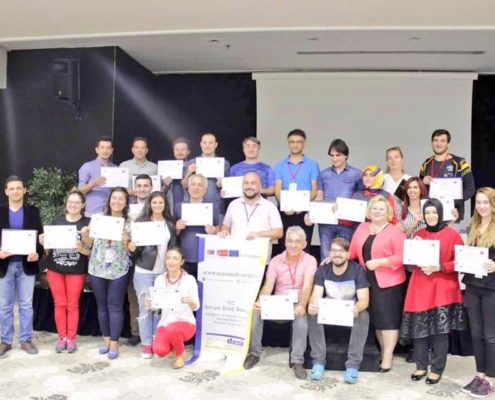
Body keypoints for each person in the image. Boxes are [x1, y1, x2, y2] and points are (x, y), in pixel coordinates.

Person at [400, 198, 465, 385]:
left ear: (440, 213)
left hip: (442, 287)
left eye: (434, 212)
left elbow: (461, 262)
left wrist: (440, 267)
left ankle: (437, 369)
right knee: (419, 330)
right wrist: (414, 248)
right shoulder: (419, 234)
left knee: (439, 332)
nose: (430, 216)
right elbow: (410, 262)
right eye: (427, 213)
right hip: (420, 286)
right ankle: (421, 366)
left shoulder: (452, 235)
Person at [243, 226, 317, 380]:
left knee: (301, 318)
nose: (294, 245)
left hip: (297, 302)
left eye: (298, 241)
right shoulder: (276, 260)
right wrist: (260, 301)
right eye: (290, 241)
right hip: (279, 302)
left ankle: (297, 361)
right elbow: (268, 286)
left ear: (304, 244)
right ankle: (254, 353)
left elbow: (307, 286)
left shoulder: (310, 260)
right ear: (285, 242)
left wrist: (302, 305)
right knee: (256, 311)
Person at [348, 195, 406, 371]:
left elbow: (403, 257)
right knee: (377, 321)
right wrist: (335, 258)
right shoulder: (362, 228)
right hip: (367, 281)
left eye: (381, 209)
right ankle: (383, 353)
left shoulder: (396, 232)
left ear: (388, 212)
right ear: (369, 211)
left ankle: (387, 357)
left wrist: (382, 262)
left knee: (388, 322)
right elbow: (352, 252)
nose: (377, 211)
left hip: (390, 282)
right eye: (374, 208)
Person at [308, 238, 370, 383]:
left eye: (341, 251)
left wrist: (357, 308)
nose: (337, 254)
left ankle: (353, 365)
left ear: (348, 254)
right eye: (334, 250)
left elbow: (364, 300)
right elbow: (316, 295)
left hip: (349, 311)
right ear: (329, 253)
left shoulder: (357, 270)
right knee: (312, 314)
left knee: (364, 315)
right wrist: (312, 305)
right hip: (328, 309)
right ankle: (318, 362)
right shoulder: (323, 270)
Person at [39, 190, 91, 353]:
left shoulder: (88, 224)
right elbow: (48, 251)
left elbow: (91, 251)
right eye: (70, 202)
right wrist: (44, 243)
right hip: (55, 268)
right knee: (59, 303)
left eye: (77, 202)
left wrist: (82, 247)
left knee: (72, 304)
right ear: (66, 204)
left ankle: (71, 338)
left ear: (83, 205)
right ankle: (62, 338)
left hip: (77, 269)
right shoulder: (56, 221)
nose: (73, 205)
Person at [128, 191, 176, 359]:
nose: (157, 205)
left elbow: (173, 246)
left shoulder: (170, 224)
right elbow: (135, 252)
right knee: (145, 308)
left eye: (160, 202)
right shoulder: (141, 223)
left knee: (159, 308)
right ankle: (147, 344)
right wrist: (132, 247)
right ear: (149, 204)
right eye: (154, 202)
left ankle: (158, 341)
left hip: (164, 272)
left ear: (165, 205)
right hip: (144, 271)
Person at [0, 176, 43, 356]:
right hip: (4, 265)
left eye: (19, 188)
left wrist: (37, 253)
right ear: (6, 191)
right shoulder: (1, 212)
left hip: (27, 265)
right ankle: (5, 341)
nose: (16, 191)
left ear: (24, 190)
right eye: (12, 188)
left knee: (26, 305)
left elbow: (40, 238)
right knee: (4, 306)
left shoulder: (33, 212)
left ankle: (25, 339)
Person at [87, 187, 131, 360]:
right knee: (102, 305)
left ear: (126, 202)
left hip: (118, 269)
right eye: (114, 198)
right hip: (97, 267)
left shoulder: (130, 223)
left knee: (115, 305)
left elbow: (131, 250)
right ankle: (106, 340)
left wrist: (126, 241)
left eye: (121, 199)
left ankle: (114, 342)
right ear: (109, 200)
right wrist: (85, 234)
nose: (117, 201)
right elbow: (89, 242)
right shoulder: (98, 218)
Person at [462, 187, 495, 398]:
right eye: (479, 202)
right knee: (475, 333)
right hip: (473, 286)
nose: (482, 206)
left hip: (492, 288)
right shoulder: (473, 226)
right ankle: (479, 374)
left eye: (486, 202)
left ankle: (490, 379)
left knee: (490, 335)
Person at [306, 138, 361, 261]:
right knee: (325, 254)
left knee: (345, 255)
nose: (334, 158)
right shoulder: (324, 174)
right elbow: (319, 196)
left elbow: (360, 197)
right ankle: (325, 274)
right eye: (332, 155)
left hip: (347, 221)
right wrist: (312, 214)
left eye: (338, 155)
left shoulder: (356, 174)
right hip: (326, 220)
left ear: (346, 155)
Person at [151, 247, 199, 369]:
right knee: (159, 351)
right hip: (166, 322)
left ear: (182, 261)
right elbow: (157, 307)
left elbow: (196, 307)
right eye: (168, 258)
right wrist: (151, 304)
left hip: (186, 323)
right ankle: (175, 348)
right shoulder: (159, 280)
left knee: (172, 329)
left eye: (175, 258)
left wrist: (191, 302)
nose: (171, 261)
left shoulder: (189, 280)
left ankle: (180, 355)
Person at [219, 172, 283, 260]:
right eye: (246, 183)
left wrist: (259, 234)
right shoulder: (233, 205)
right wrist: (225, 231)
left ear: (260, 186)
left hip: (260, 260)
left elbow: (279, 232)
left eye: (253, 183)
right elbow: (226, 226)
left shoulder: (270, 207)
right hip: (235, 259)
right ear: (242, 186)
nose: (249, 186)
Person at [274, 129, 320, 244]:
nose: (295, 145)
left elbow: (314, 190)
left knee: (304, 243)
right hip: (285, 211)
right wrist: (284, 206)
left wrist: (302, 206)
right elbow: (277, 190)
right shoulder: (280, 166)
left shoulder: (312, 165)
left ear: (304, 144)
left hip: (304, 211)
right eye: (292, 142)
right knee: (284, 244)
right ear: (288, 143)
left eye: (299, 142)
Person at [419, 129, 476, 221]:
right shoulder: (426, 164)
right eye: (435, 140)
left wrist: (453, 201)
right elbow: (419, 190)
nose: (438, 144)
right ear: (432, 143)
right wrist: (422, 183)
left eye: (442, 141)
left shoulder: (460, 163)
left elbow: (470, 189)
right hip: (431, 215)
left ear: (448, 144)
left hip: (453, 214)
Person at [174, 174, 221, 278]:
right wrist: (177, 228)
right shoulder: (179, 207)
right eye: (193, 184)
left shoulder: (212, 207)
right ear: (188, 187)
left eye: (200, 185)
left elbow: (219, 229)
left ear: (205, 189)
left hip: (206, 257)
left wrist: (214, 231)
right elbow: (173, 234)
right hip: (185, 257)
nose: (196, 187)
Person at [127, 174, 154, 346]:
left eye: (146, 185)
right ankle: (136, 332)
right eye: (139, 186)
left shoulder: (156, 206)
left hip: (153, 258)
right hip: (132, 257)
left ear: (151, 188)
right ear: (134, 189)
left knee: (154, 298)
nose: (142, 189)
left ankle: (155, 332)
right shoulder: (127, 208)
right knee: (134, 298)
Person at [182, 132, 230, 215]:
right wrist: (189, 173)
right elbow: (184, 186)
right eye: (205, 142)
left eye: (210, 143)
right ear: (201, 144)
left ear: (216, 145)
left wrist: (222, 183)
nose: (207, 145)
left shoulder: (224, 163)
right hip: (195, 208)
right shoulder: (192, 162)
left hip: (216, 207)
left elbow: (229, 190)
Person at [78, 136, 117, 216]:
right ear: (97, 150)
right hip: (93, 212)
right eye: (102, 147)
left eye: (108, 148)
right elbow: (80, 191)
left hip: (111, 212)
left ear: (112, 151)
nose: (105, 151)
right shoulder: (87, 166)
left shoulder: (116, 168)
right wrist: (94, 183)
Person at [163, 137, 191, 207]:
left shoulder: (193, 167)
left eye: (183, 149)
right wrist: (166, 185)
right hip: (170, 206)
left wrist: (189, 174)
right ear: (174, 151)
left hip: (188, 206)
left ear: (188, 152)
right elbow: (159, 192)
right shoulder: (165, 167)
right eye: (177, 150)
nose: (180, 152)